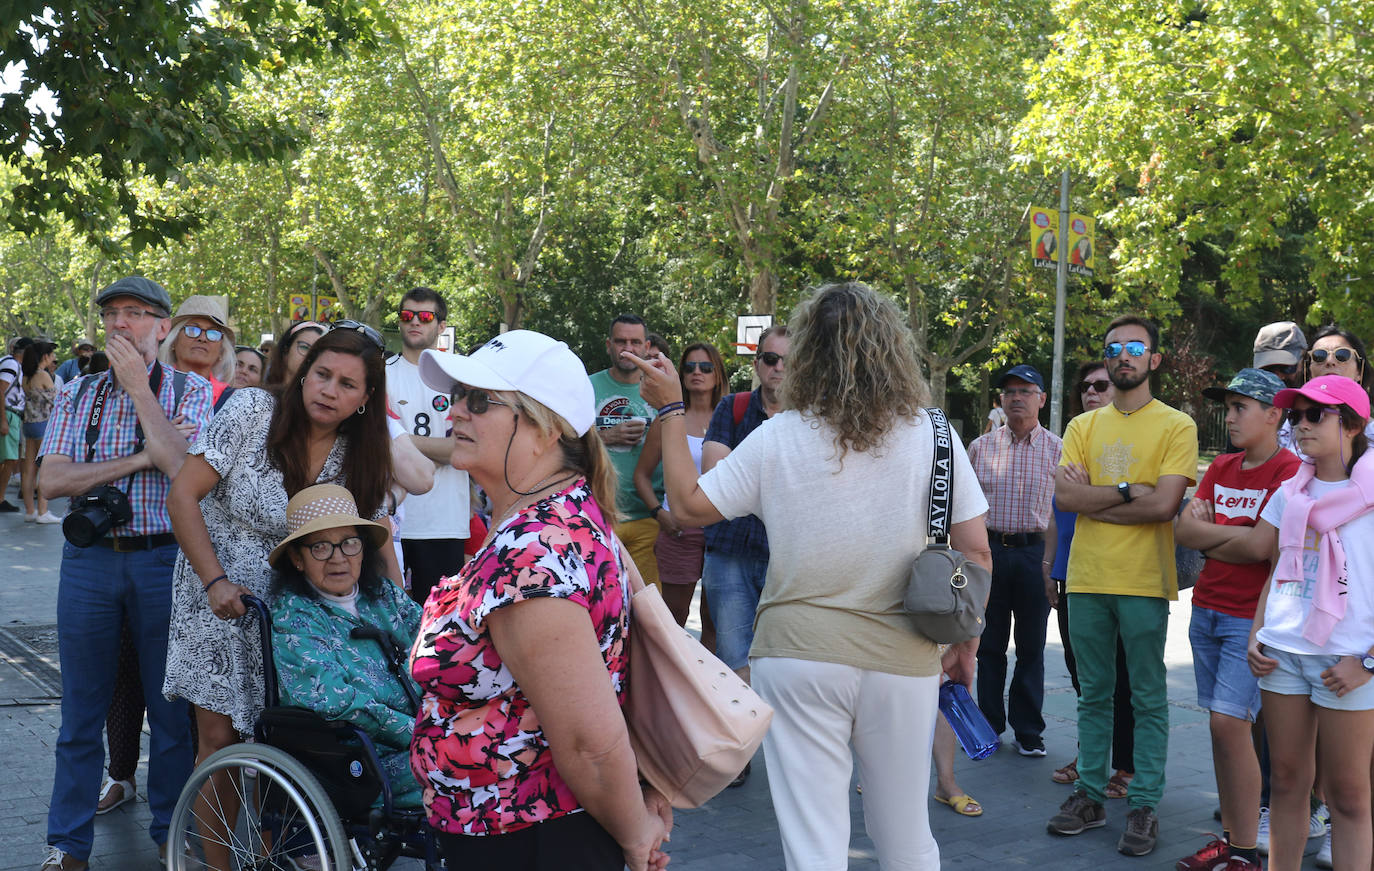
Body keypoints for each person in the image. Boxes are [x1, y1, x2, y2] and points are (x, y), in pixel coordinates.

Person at [629, 281, 991, 871]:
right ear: (893, 348)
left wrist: (671, 411)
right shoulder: (937, 437)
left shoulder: (778, 436)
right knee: (907, 836)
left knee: (813, 842)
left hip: (797, 655)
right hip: (905, 655)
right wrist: (963, 643)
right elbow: (975, 552)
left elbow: (690, 507)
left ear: (807, 356)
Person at [410, 329, 671, 871]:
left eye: (479, 400)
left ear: (547, 428)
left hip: (529, 840)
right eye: (457, 394)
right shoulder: (552, 518)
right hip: (521, 831)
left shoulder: (532, 554)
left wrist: (636, 834)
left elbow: (588, 744)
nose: (455, 410)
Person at [163, 327, 394, 871]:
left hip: (297, 611)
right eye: (321, 374)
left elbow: (370, 539)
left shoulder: (357, 455)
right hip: (215, 594)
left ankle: (270, 860)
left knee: (289, 744)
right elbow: (182, 496)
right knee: (219, 745)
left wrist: (400, 617)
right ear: (302, 372)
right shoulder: (250, 411)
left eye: (346, 384)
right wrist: (216, 581)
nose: (329, 390)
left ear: (365, 400)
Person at [37, 276, 212, 871]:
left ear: (163, 327)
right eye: (111, 313)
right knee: (80, 711)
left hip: (165, 559)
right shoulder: (78, 392)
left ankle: (170, 834)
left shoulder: (190, 389)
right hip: (89, 562)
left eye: (136, 313)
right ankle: (68, 845)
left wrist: (139, 389)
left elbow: (182, 464)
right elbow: (50, 482)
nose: (121, 324)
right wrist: (140, 457)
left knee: (169, 711)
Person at [1047, 315, 1198, 857]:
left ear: (1154, 359)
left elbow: (1165, 506)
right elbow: (1067, 500)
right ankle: (1089, 796)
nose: (1123, 355)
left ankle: (1143, 803)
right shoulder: (1082, 427)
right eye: (1114, 348)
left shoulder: (1177, 426)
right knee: (1094, 696)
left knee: (1147, 696)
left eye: (1135, 347)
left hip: (1142, 583)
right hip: (1085, 580)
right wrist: (1134, 491)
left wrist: (1104, 497)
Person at [1227, 375, 1374, 871]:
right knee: (1287, 784)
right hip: (1282, 655)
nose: (1301, 425)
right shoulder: (1293, 490)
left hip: (1348, 662)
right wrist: (1257, 635)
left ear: (1352, 424)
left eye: (1316, 415)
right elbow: (1277, 569)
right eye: (1296, 415)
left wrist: (1369, 662)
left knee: (1348, 795)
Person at [1173, 368, 1301, 871]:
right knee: (1221, 729)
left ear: (1273, 415)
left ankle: (1245, 854)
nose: (1228, 417)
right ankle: (1233, 843)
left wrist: (1216, 534)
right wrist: (1236, 537)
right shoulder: (1222, 466)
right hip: (1204, 610)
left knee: (1231, 724)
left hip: (1249, 620)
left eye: (1239, 407)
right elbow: (1184, 532)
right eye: (1226, 408)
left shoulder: (1289, 471)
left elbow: (1263, 547)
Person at [269, 483, 424, 809]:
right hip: (364, 761)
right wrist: (420, 731)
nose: (338, 558)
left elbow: (435, 645)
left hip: (426, 735)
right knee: (476, 765)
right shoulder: (295, 615)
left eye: (349, 544)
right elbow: (334, 702)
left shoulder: (383, 594)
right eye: (321, 548)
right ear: (297, 558)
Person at [1044, 362, 1137, 797]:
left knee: (1120, 678)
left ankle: (1127, 768)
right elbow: (1059, 506)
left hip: (1117, 579)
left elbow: (1130, 501)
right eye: (1085, 387)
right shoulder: (1074, 445)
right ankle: (1091, 758)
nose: (1091, 392)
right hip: (1070, 576)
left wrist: (1089, 495)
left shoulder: (1123, 446)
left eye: (1101, 385)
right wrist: (1049, 566)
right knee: (1084, 678)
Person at [968, 364, 1062, 757]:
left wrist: (1053, 566)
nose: (1017, 398)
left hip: (1033, 554)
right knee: (987, 646)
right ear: (1000, 401)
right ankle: (988, 727)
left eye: (1026, 391)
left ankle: (1028, 731)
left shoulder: (1059, 449)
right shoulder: (980, 448)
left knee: (1031, 647)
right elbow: (965, 510)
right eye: (1009, 392)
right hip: (988, 552)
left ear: (1042, 398)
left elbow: (1064, 513)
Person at [699, 325, 790, 687]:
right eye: (771, 359)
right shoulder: (732, 407)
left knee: (786, 659)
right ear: (757, 363)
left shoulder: (813, 417)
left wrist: (745, 481)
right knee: (735, 657)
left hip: (786, 556)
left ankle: (781, 743)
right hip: (729, 553)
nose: (779, 368)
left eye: (788, 360)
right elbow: (713, 477)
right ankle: (745, 745)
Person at [632, 342, 724, 638]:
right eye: (690, 367)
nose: (697, 372)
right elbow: (642, 476)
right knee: (673, 618)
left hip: (721, 529)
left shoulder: (732, 417)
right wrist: (660, 514)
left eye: (706, 367)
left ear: (718, 374)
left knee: (714, 619)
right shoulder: (669, 418)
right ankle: (669, 682)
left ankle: (709, 684)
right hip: (679, 528)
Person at [385, 287, 470, 606]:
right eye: (407, 315)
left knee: (440, 627)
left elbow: (460, 451)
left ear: (441, 325)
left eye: (425, 316)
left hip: (445, 521)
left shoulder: (460, 378)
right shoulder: (382, 375)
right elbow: (377, 448)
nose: (415, 322)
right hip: (392, 522)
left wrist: (399, 441)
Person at [590, 313, 663, 587]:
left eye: (635, 342)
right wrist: (604, 436)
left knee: (647, 608)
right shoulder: (587, 386)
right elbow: (563, 443)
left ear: (646, 347)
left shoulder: (661, 389)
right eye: (621, 341)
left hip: (648, 518)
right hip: (599, 515)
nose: (628, 349)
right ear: (609, 345)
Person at [157, 295, 237, 407]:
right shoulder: (153, 385)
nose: (202, 338)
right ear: (174, 340)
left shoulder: (232, 400)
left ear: (221, 350)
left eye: (213, 333)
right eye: (192, 330)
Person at [21, 341, 61, 523]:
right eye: (51, 354)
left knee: (28, 470)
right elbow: (56, 400)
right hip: (43, 424)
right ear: (45, 356)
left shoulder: (26, 376)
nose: (53, 357)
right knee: (44, 467)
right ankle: (43, 511)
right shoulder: (43, 375)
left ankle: (30, 511)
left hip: (28, 424)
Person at [263, 320, 326, 390]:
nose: (309, 356)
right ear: (286, 351)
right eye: (304, 347)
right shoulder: (257, 396)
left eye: (317, 352)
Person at [0, 340, 26, 513]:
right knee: (9, 459)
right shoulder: (11, 363)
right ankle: (0, 499)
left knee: (8, 459)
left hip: (10, 414)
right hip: (8, 414)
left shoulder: (8, 362)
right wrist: (3, 420)